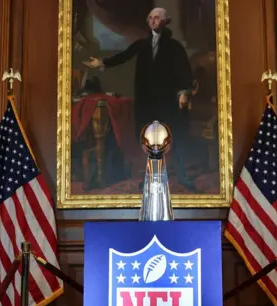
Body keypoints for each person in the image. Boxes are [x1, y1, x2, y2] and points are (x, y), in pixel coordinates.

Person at [83, 7, 196, 191]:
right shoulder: (142, 44)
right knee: (149, 139)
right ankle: (152, 178)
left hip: (168, 101)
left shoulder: (175, 46)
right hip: (148, 101)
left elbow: (185, 71)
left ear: (165, 21)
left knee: (177, 136)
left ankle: (182, 176)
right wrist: (102, 63)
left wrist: (184, 91)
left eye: (157, 18)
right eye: (150, 17)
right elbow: (124, 56)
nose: (153, 20)